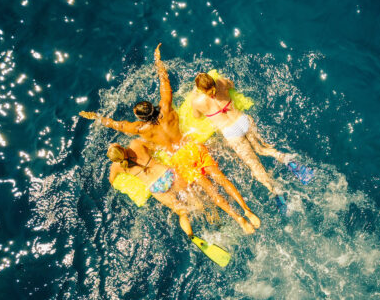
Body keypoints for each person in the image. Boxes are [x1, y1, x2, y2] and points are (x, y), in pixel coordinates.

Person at [80, 44, 260, 231]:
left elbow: (116, 124)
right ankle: (247, 210)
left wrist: (96, 117)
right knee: (221, 179)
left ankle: (238, 220)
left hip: (179, 159)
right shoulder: (166, 108)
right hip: (192, 147)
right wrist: (158, 61)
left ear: (141, 117)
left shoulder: (140, 129)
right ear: (152, 107)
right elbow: (164, 83)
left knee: (210, 191)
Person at [190, 72, 314, 211]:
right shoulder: (221, 83)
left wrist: (196, 94)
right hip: (243, 121)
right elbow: (232, 85)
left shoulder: (197, 101)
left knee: (256, 167)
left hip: (232, 133)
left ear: (201, 89)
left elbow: (197, 117)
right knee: (261, 149)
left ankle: (276, 192)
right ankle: (286, 159)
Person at [107, 139, 257, 235]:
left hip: (155, 187)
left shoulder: (116, 167)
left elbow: (112, 181)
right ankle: (218, 214)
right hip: (167, 173)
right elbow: (156, 147)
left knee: (181, 212)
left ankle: (192, 235)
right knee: (198, 195)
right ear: (120, 146)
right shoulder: (135, 144)